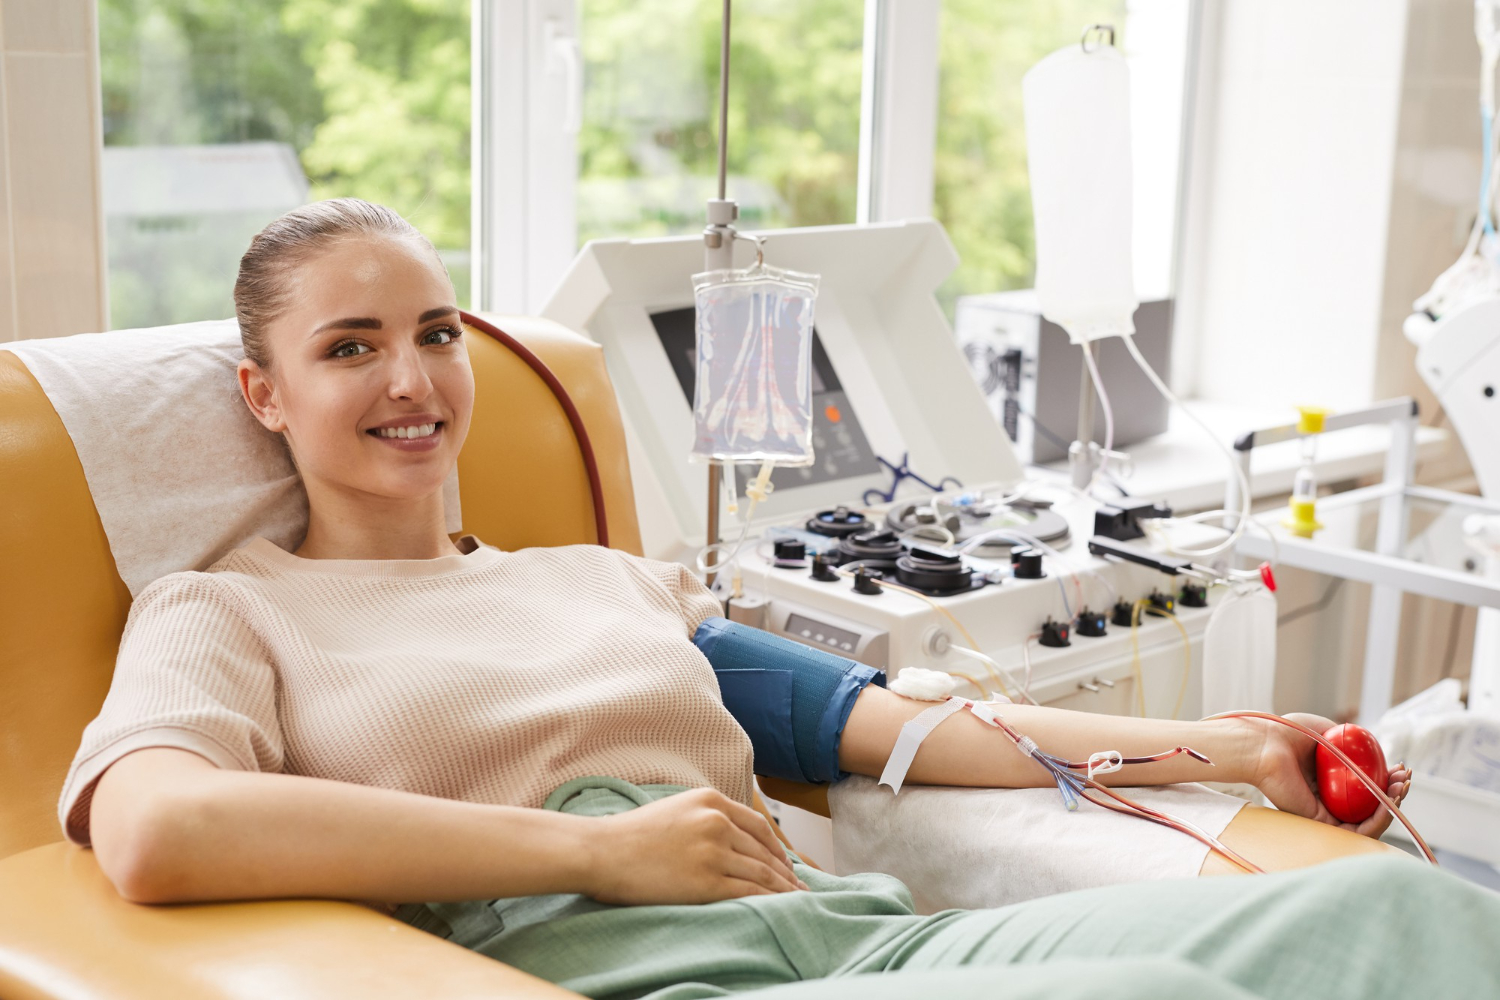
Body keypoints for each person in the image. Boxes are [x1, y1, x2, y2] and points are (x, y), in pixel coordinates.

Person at [59, 199, 1496, 1000]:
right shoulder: (223, 609)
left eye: (436, 333)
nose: (412, 381)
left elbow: (898, 729)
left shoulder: (605, 579)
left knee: (1403, 923)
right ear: (264, 393)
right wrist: (604, 860)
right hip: (628, 971)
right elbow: (157, 832)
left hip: (852, 934)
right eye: (350, 347)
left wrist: (1223, 751)